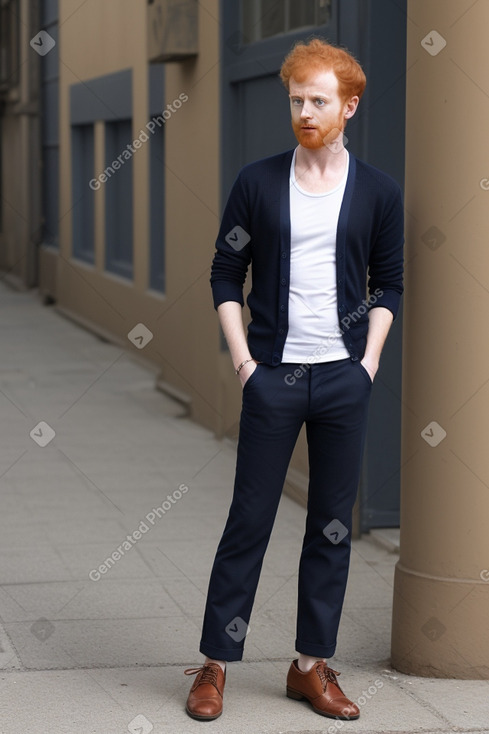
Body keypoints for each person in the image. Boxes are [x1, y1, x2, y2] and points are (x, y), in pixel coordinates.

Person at [184, 37, 404, 722]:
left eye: (317, 100)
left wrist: (366, 364)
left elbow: (390, 284)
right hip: (273, 375)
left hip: (342, 379)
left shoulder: (377, 191)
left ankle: (310, 666)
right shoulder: (256, 182)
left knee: (332, 526)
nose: (304, 112)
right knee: (248, 518)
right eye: (295, 100)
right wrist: (244, 363)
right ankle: (214, 663)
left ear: (349, 105)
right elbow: (225, 272)